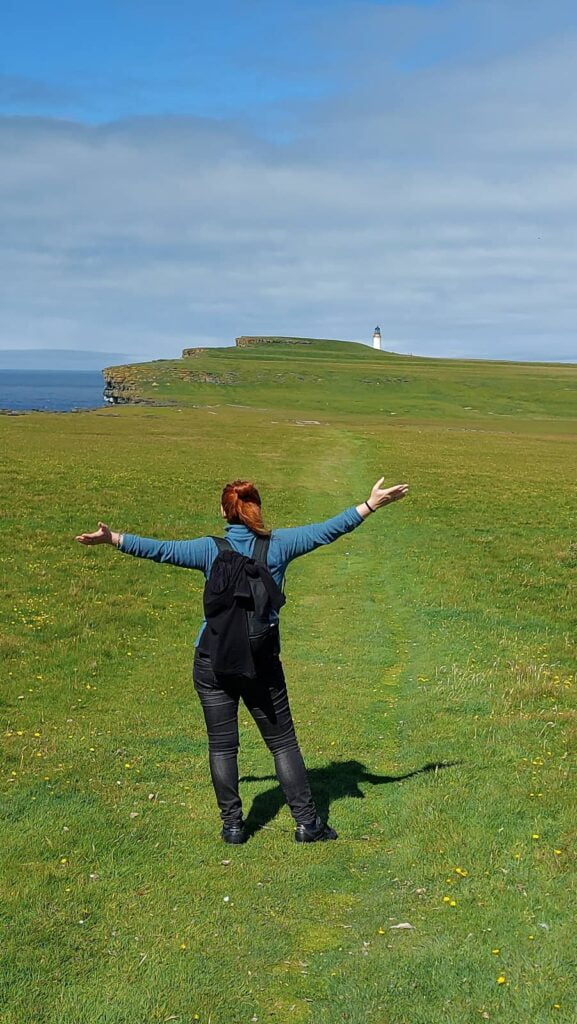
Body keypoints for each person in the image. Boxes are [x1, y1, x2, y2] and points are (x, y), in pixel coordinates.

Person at [75, 476, 408, 844]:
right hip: (260, 663)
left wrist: (113, 539)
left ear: (223, 511)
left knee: (222, 745)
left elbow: (162, 550)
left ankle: (233, 827)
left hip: (211, 661)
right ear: (257, 510)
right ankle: (307, 824)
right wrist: (371, 504)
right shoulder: (279, 545)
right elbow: (327, 531)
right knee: (282, 743)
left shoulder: (208, 549)